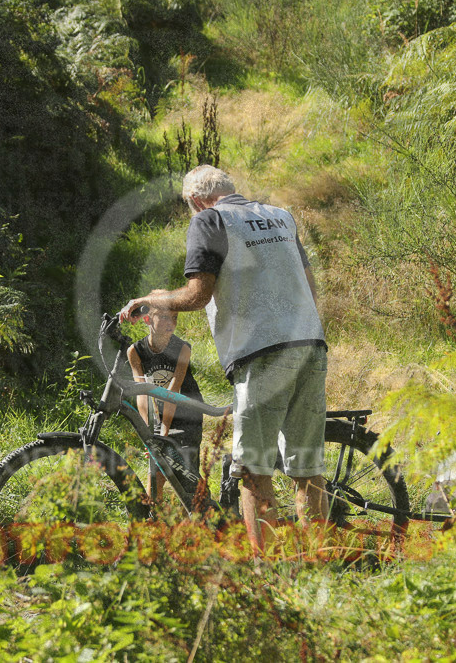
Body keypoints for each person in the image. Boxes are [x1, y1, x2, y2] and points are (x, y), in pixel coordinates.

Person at [121, 165, 328, 552]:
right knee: (308, 470)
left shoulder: (209, 219)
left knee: (253, 471)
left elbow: (198, 296)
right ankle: (320, 563)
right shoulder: (280, 216)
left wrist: (153, 300)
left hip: (263, 354)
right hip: (311, 345)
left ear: (195, 201)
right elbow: (310, 287)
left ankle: (266, 573)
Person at [126, 307, 204, 503]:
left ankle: (202, 515)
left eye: (175, 318)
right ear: (147, 320)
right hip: (158, 413)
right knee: (157, 468)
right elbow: (142, 393)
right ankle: (154, 520)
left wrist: (164, 433)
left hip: (188, 413)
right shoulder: (135, 351)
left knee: (187, 470)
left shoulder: (182, 348)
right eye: (163, 317)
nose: (171, 323)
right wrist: (149, 435)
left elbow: (174, 390)